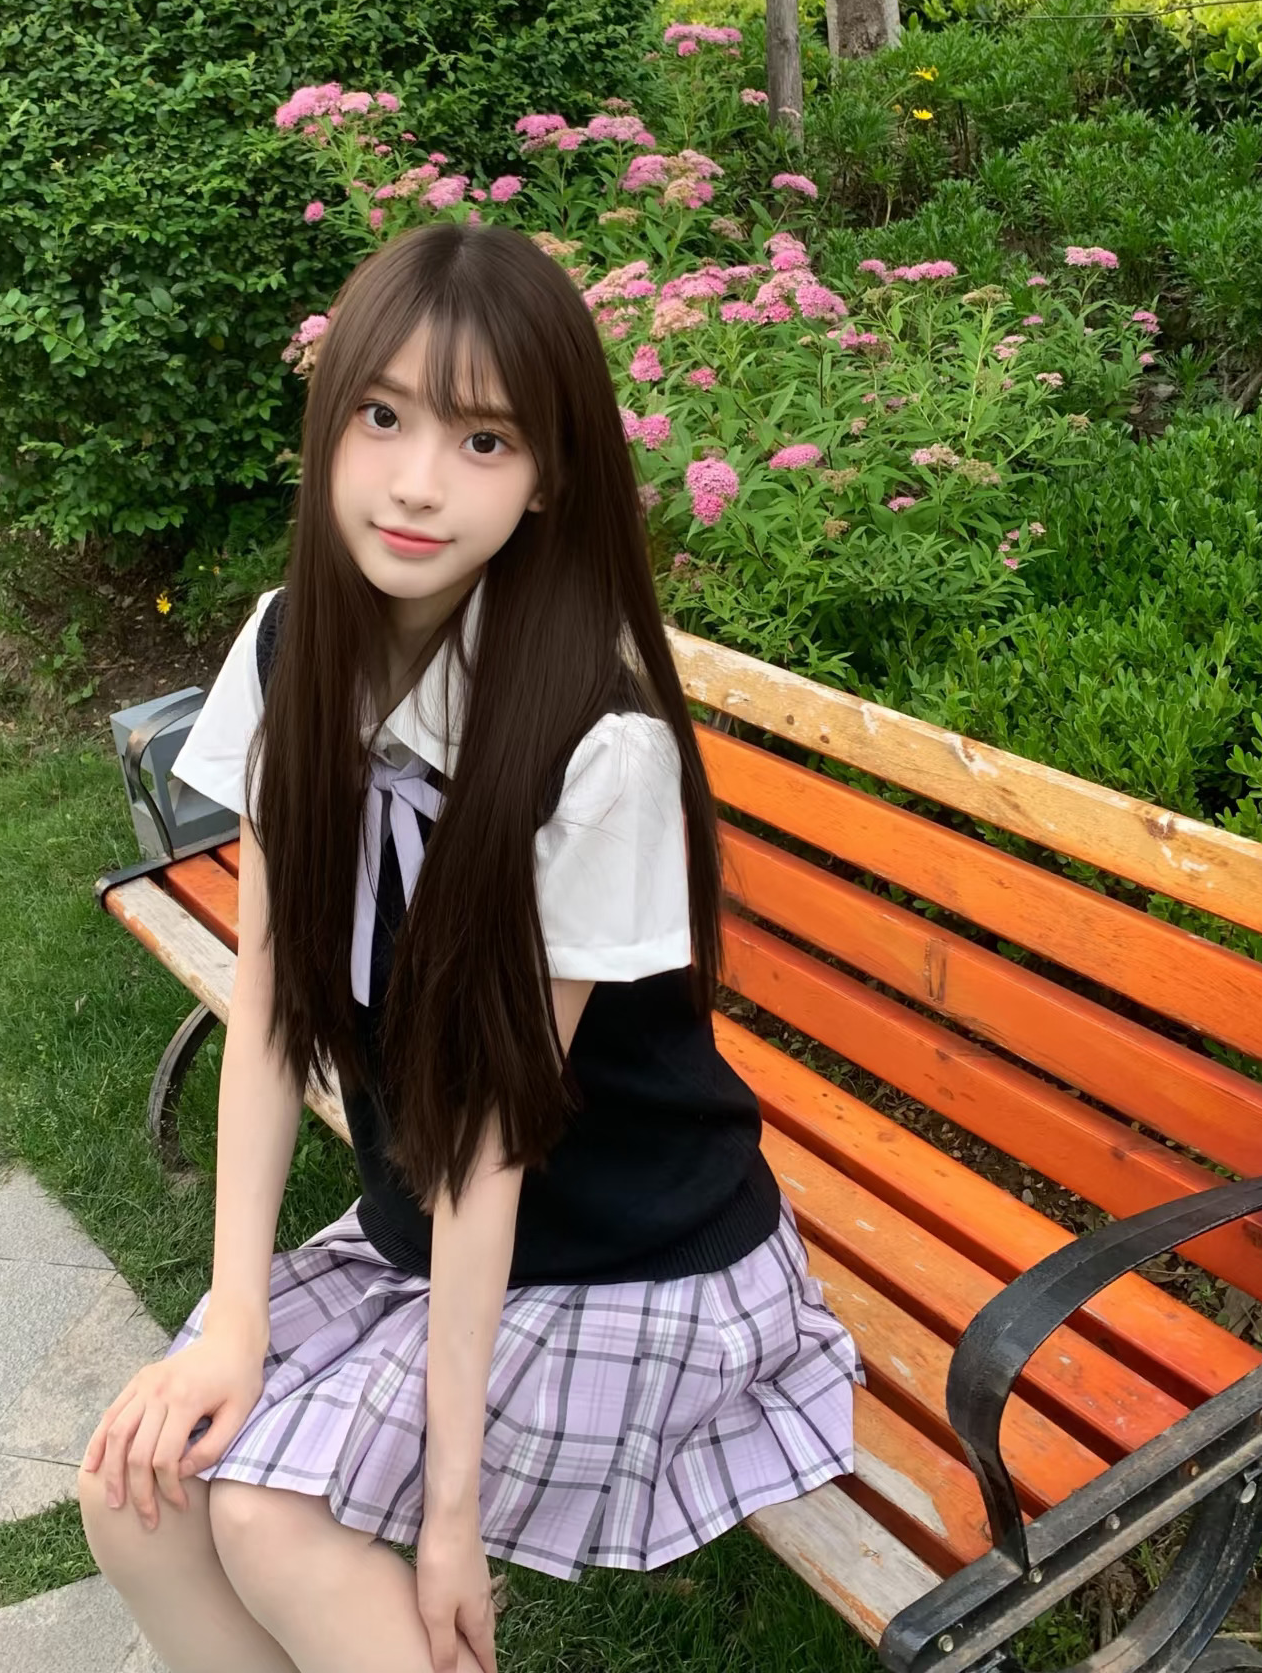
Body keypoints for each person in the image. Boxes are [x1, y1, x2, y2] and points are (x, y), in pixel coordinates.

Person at [78, 220, 861, 1673]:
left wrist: (452, 1518)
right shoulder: (291, 648)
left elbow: (500, 1134)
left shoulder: (596, 745)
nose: (418, 482)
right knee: (138, 1492)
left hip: (628, 1253)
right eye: (382, 417)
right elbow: (270, 1007)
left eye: (483, 439)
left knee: (267, 1519)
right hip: (422, 1229)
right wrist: (234, 1318)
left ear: (549, 475)